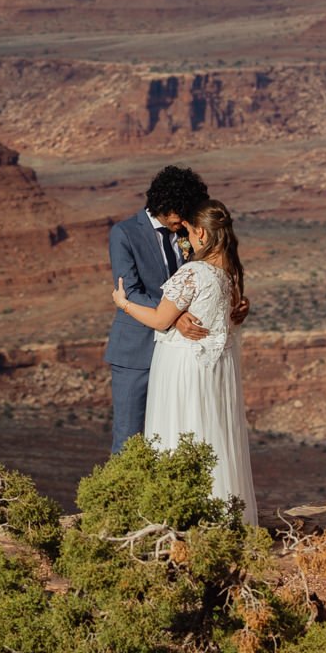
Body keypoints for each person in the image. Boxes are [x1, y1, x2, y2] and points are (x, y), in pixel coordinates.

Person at [111, 199, 258, 517]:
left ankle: (177, 515)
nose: (187, 239)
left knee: (177, 431)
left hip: (182, 367)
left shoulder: (193, 272)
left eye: (190, 232)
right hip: (208, 367)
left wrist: (123, 303)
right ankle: (219, 512)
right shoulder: (229, 274)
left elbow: (162, 320)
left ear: (202, 233)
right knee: (208, 433)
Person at [103, 165, 246, 455]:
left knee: (173, 437)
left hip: (180, 359)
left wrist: (232, 300)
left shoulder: (187, 234)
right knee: (130, 441)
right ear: (165, 207)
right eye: (181, 215)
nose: (184, 225)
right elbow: (130, 290)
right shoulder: (125, 234)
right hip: (137, 354)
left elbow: (206, 276)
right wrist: (174, 317)